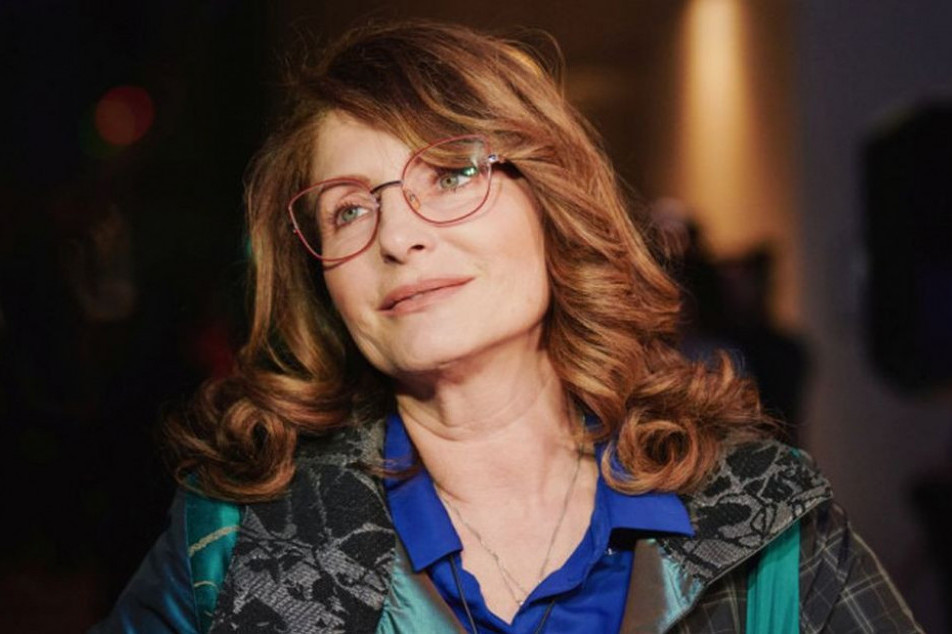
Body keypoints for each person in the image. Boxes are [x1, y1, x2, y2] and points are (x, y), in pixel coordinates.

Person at [93, 20, 921, 633]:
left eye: (451, 173)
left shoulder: (763, 517)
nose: (397, 235)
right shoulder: (236, 538)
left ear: (552, 201)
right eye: (348, 209)